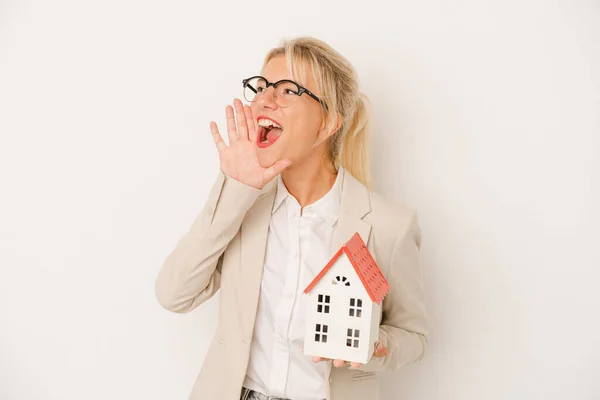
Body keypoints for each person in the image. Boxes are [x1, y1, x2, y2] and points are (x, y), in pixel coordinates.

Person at [155, 36, 428, 400]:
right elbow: (174, 295)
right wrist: (236, 189)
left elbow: (413, 336)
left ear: (328, 122)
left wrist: (372, 345)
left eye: (288, 90)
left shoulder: (388, 225)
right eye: (263, 86)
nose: (264, 99)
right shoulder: (242, 203)